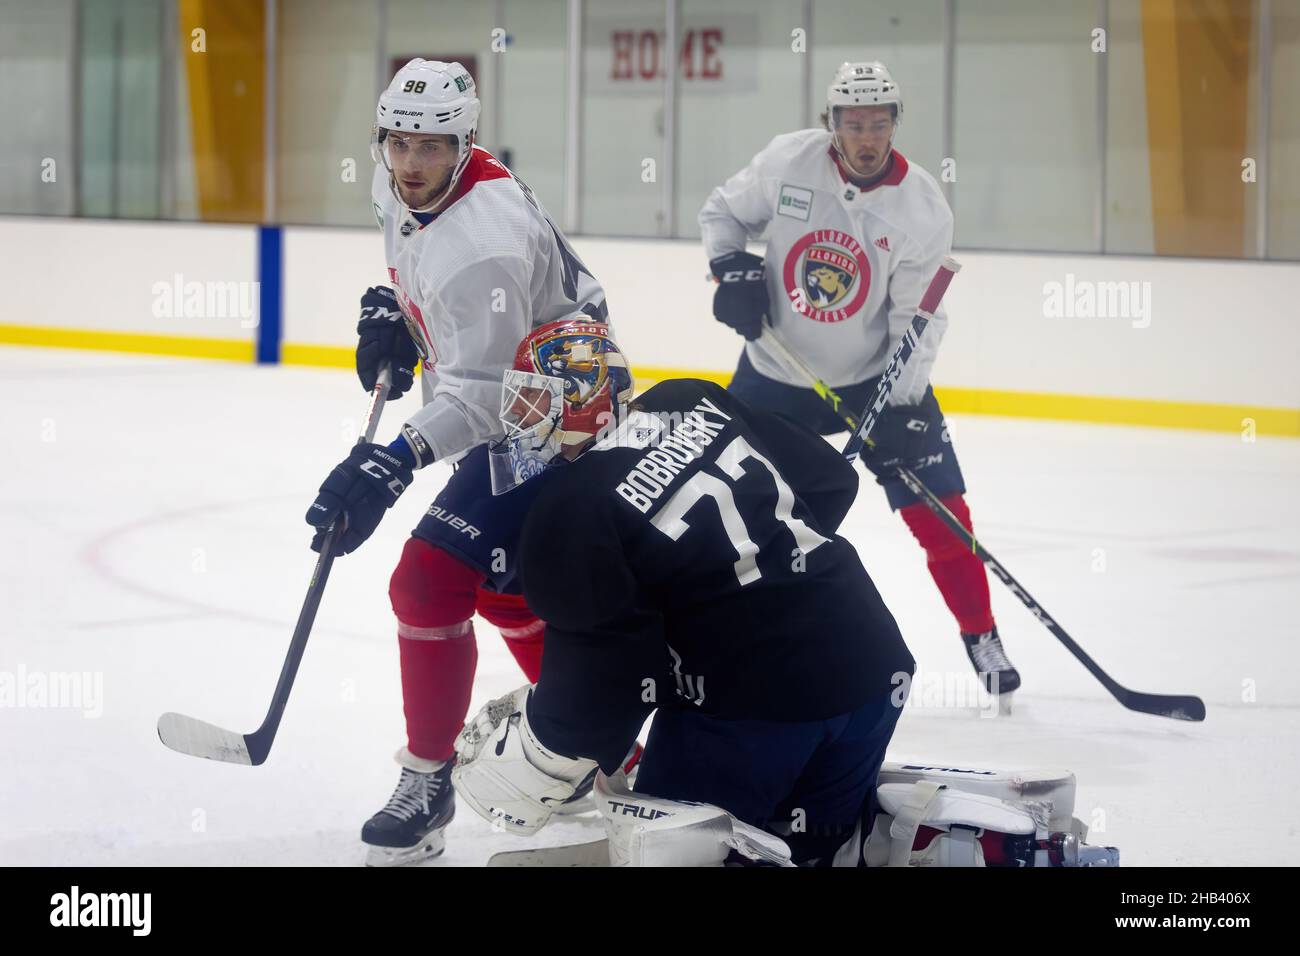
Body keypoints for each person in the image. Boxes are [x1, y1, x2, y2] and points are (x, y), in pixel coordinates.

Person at [450, 320, 916, 866]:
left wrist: (544, 750)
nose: (522, 417)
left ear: (574, 402)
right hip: (875, 663)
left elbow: (606, 683)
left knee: (681, 856)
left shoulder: (567, 513)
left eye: (533, 398)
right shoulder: (688, 397)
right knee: (817, 851)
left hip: (752, 706)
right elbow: (831, 479)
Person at [304, 58, 610, 866]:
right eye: (398, 142)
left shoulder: (485, 243)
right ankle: (591, 749)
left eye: (432, 147)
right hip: (508, 375)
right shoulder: (396, 184)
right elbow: (425, 278)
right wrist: (399, 319)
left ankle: (427, 781)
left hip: (559, 401)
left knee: (428, 576)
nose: (410, 164)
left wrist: (393, 460)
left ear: (464, 142)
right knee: (501, 583)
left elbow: (484, 397)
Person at [697, 60, 1019, 698]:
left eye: (878, 123)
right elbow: (722, 213)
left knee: (942, 512)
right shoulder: (790, 162)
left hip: (877, 379)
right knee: (739, 511)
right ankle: (725, 636)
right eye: (852, 123)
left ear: (895, 125)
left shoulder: (920, 206)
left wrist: (900, 405)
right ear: (831, 125)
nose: (866, 137)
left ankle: (980, 632)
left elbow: (917, 318)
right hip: (775, 370)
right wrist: (730, 267)